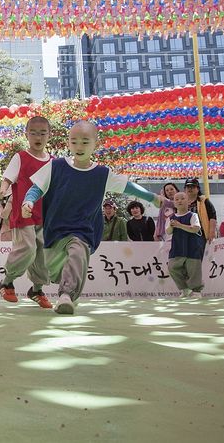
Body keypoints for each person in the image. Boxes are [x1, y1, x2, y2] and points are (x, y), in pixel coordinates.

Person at [21, 121, 158, 314]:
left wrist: (152, 197)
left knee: (77, 252)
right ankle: (42, 288)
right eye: (74, 141)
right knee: (49, 270)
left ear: (96, 144)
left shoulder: (103, 174)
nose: (79, 146)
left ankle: (66, 296)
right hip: (54, 231)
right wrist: (28, 201)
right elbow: (36, 188)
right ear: (68, 143)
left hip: (83, 231)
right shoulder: (56, 166)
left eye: (85, 142)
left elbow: (128, 186)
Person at [0, 116, 54, 308]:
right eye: (34, 133)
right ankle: (7, 282)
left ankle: (37, 290)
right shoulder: (20, 157)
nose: (38, 136)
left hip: (45, 216)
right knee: (27, 249)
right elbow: (8, 178)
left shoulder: (53, 162)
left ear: (49, 135)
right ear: (26, 135)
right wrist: (3, 190)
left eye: (42, 133)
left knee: (43, 255)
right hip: (24, 214)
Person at [167, 190, 206, 297]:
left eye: (182, 198)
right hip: (177, 247)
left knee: (194, 268)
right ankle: (184, 289)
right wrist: (171, 226)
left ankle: (196, 291)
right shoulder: (171, 218)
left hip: (192, 246)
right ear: (174, 203)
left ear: (188, 201)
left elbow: (195, 228)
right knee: (172, 267)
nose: (179, 201)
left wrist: (179, 225)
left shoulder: (193, 215)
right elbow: (168, 232)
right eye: (177, 199)